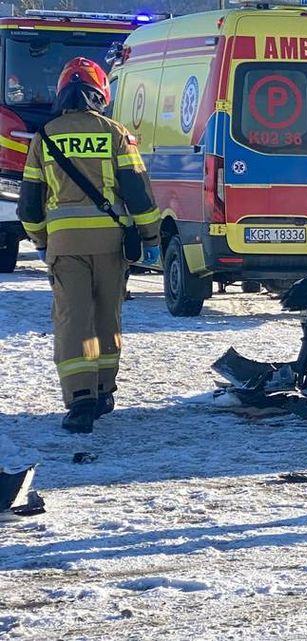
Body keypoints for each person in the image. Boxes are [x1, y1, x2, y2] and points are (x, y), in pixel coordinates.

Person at [17, 57, 161, 434]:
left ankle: (80, 400)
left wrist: (41, 240)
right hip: (111, 245)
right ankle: (103, 391)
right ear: (101, 94)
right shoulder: (116, 134)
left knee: (74, 320)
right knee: (106, 318)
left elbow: (29, 205)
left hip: (65, 246)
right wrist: (150, 236)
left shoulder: (45, 137)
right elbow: (138, 192)